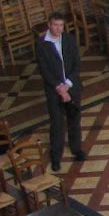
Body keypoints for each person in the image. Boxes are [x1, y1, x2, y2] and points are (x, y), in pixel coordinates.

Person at [35, 13, 86, 171]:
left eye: (61, 25)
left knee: (74, 119)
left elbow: (76, 64)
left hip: (72, 86)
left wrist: (68, 84)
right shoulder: (41, 43)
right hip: (54, 89)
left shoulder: (69, 39)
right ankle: (56, 157)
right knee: (57, 124)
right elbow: (44, 70)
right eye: (55, 25)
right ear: (49, 25)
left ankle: (76, 149)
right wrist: (59, 87)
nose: (58, 29)